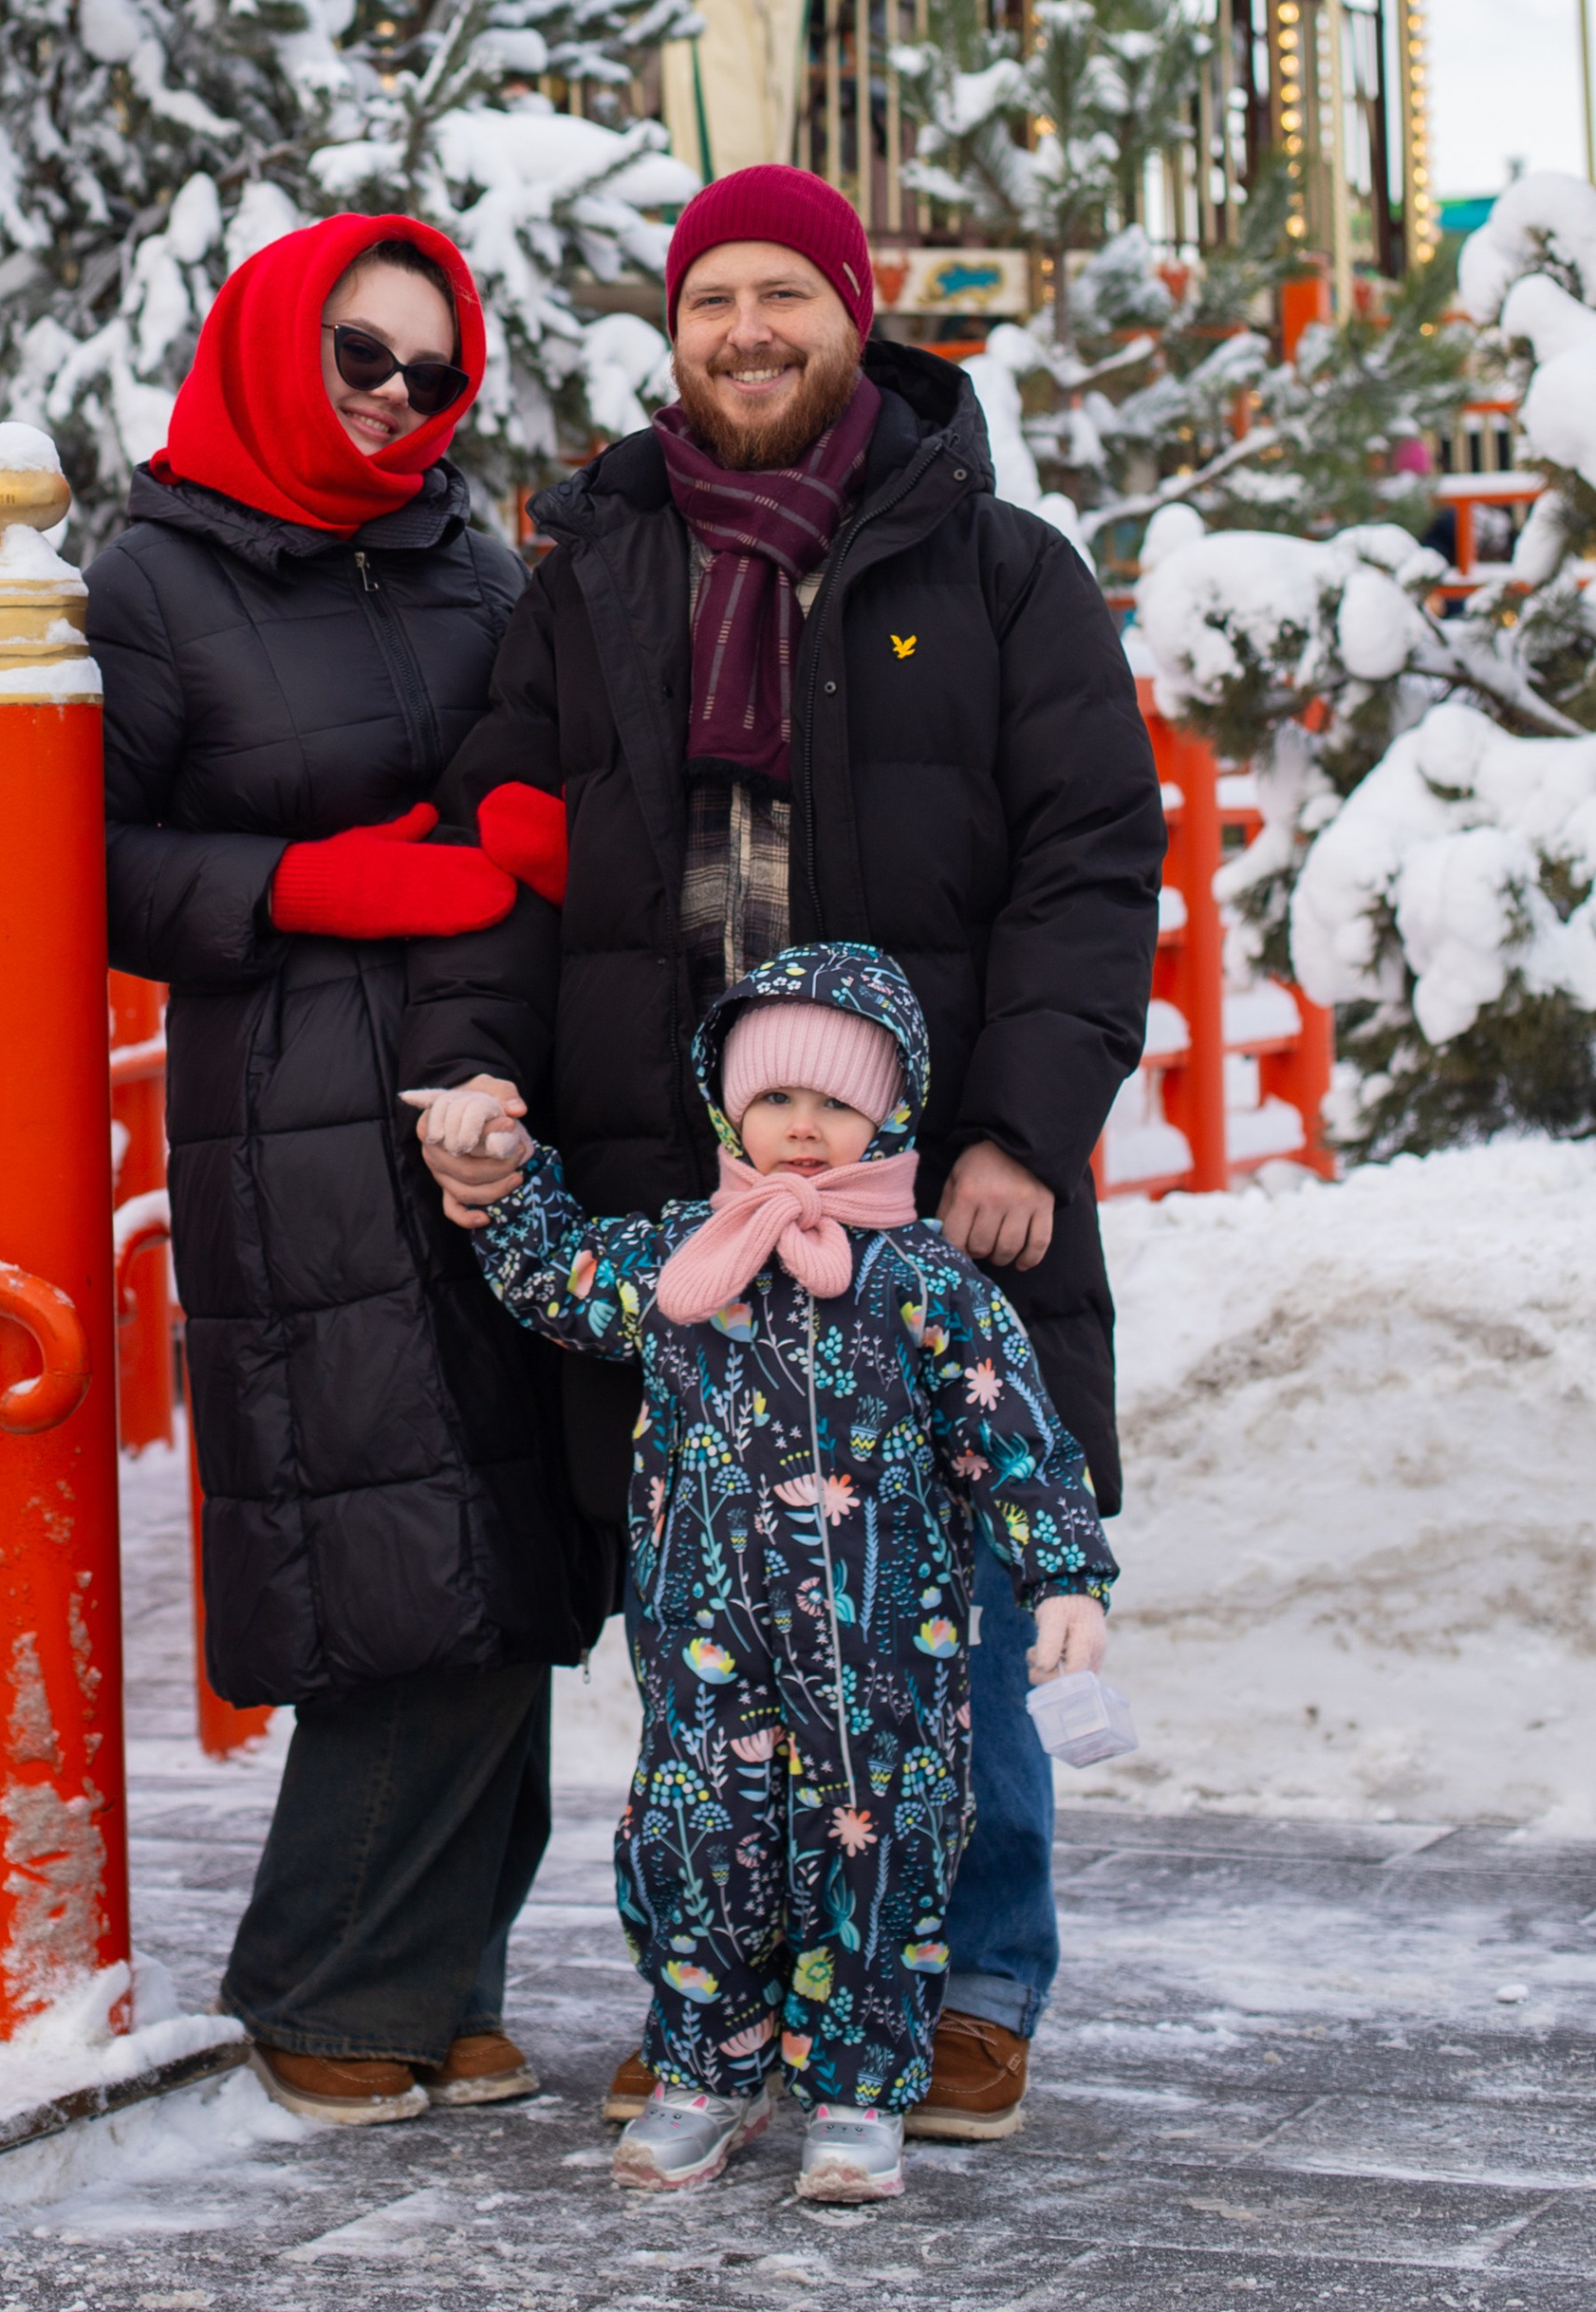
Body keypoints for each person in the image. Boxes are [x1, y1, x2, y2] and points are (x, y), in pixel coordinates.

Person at [400, 160, 1163, 2140]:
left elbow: (1090, 871)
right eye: (708, 297)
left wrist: (1020, 1125)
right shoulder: (588, 577)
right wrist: (475, 1072)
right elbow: (502, 848)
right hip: (682, 1205)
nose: (743, 328)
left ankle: (973, 1979)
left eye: (780, 294)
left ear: (853, 309)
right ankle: (724, 1996)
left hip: (928, 1199)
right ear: (676, 329)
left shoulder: (1002, 575)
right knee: (713, 1659)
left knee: (952, 1631)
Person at [86, 212, 605, 2132]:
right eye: (356, 358)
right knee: (402, 1547)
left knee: (518, 1536)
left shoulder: (465, 553)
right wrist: (310, 882)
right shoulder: (152, 579)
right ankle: (320, 1976)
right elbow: (89, 865)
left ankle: (442, 1977)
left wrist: (525, 825)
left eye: (427, 370)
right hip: (298, 1111)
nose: (392, 398)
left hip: (490, 1081)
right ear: (266, 347)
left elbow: (516, 752)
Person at [410, 941, 1115, 2207]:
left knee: (880, 1857)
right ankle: (705, 2069)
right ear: (729, 1103)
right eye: (776, 1098)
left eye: (835, 1101)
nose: (803, 1127)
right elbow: (558, 1275)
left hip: (888, 1657)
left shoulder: (925, 1279)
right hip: (707, 1646)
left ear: (889, 1110)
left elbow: (1015, 1433)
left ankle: (857, 2092)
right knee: (703, 1848)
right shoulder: (683, 1261)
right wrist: (508, 1173)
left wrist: (1063, 1574)